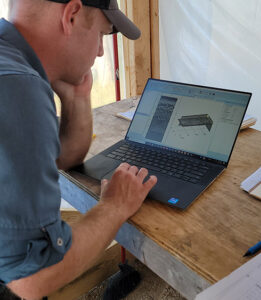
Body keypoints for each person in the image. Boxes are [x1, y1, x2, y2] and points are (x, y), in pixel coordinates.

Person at [0, 0, 157, 299]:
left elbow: (61, 158)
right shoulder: (17, 89)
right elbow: (32, 279)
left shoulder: (10, 61)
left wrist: (77, 98)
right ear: (70, 16)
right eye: (101, 33)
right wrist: (115, 206)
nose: (100, 51)